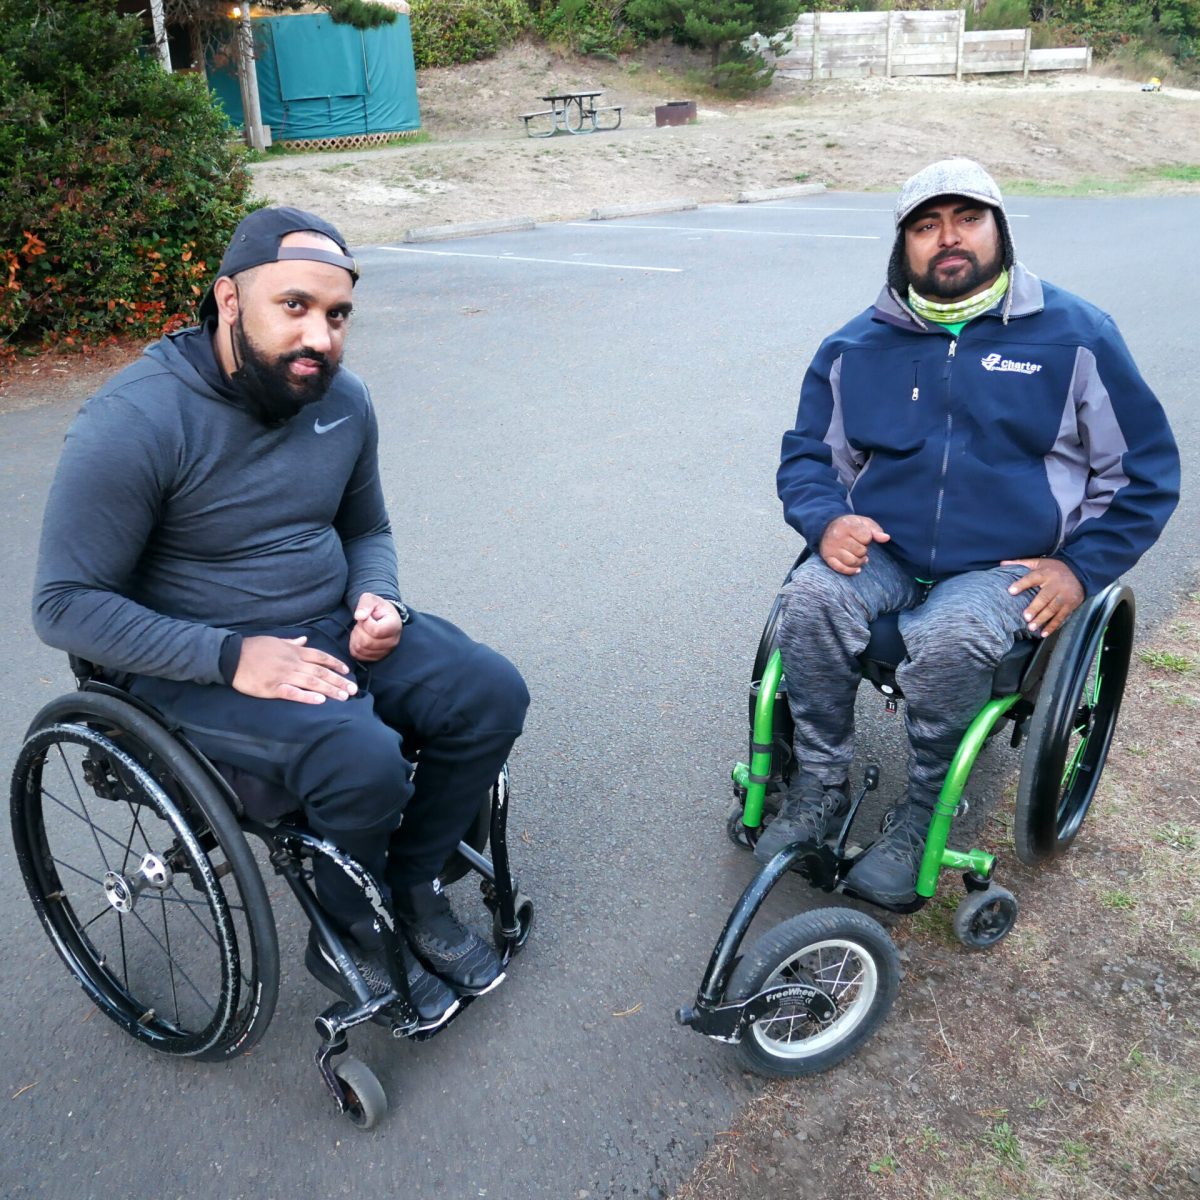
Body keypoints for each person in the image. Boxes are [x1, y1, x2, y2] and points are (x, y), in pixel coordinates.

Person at [33, 207, 530, 1030]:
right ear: (229, 300)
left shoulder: (343, 402)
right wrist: (234, 658)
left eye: (337, 315)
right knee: (361, 760)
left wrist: (378, 598)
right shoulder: (136, 420)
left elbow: (367, 529)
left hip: (329, 625)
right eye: (293, 306)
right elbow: (63, 604)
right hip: (193, 663)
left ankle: (411, 884)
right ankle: (348, 927)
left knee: (490, 693)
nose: (319, 338)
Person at [754, 158, 1179, 905]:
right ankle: (819, 782)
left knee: (952, 636)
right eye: (926, 225)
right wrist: (826, 520)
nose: (948, 238)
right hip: (888, 549)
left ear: (999, 229)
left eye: (967, 218)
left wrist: (1080, 568)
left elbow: (1144, 474)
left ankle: (922, 811)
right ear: (904, 246)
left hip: (1008, 564)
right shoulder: (855, 347)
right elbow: (809, 458)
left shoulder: (1077, 337)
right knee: (810, 599)